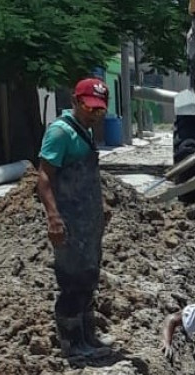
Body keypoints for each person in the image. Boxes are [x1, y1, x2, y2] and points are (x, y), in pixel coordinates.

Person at [36, 78, 113, 358]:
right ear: (75, 101)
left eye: (99, 110)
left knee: (89, 277)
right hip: (68, 222)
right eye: (89, 108)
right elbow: (44, 178)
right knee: (72, 281)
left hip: (87, 222)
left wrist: (99, 206)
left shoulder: (84, 131)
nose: (95, 114)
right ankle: (71, 343)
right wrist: (53, 218)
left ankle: (87, 336)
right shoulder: (60, 133)